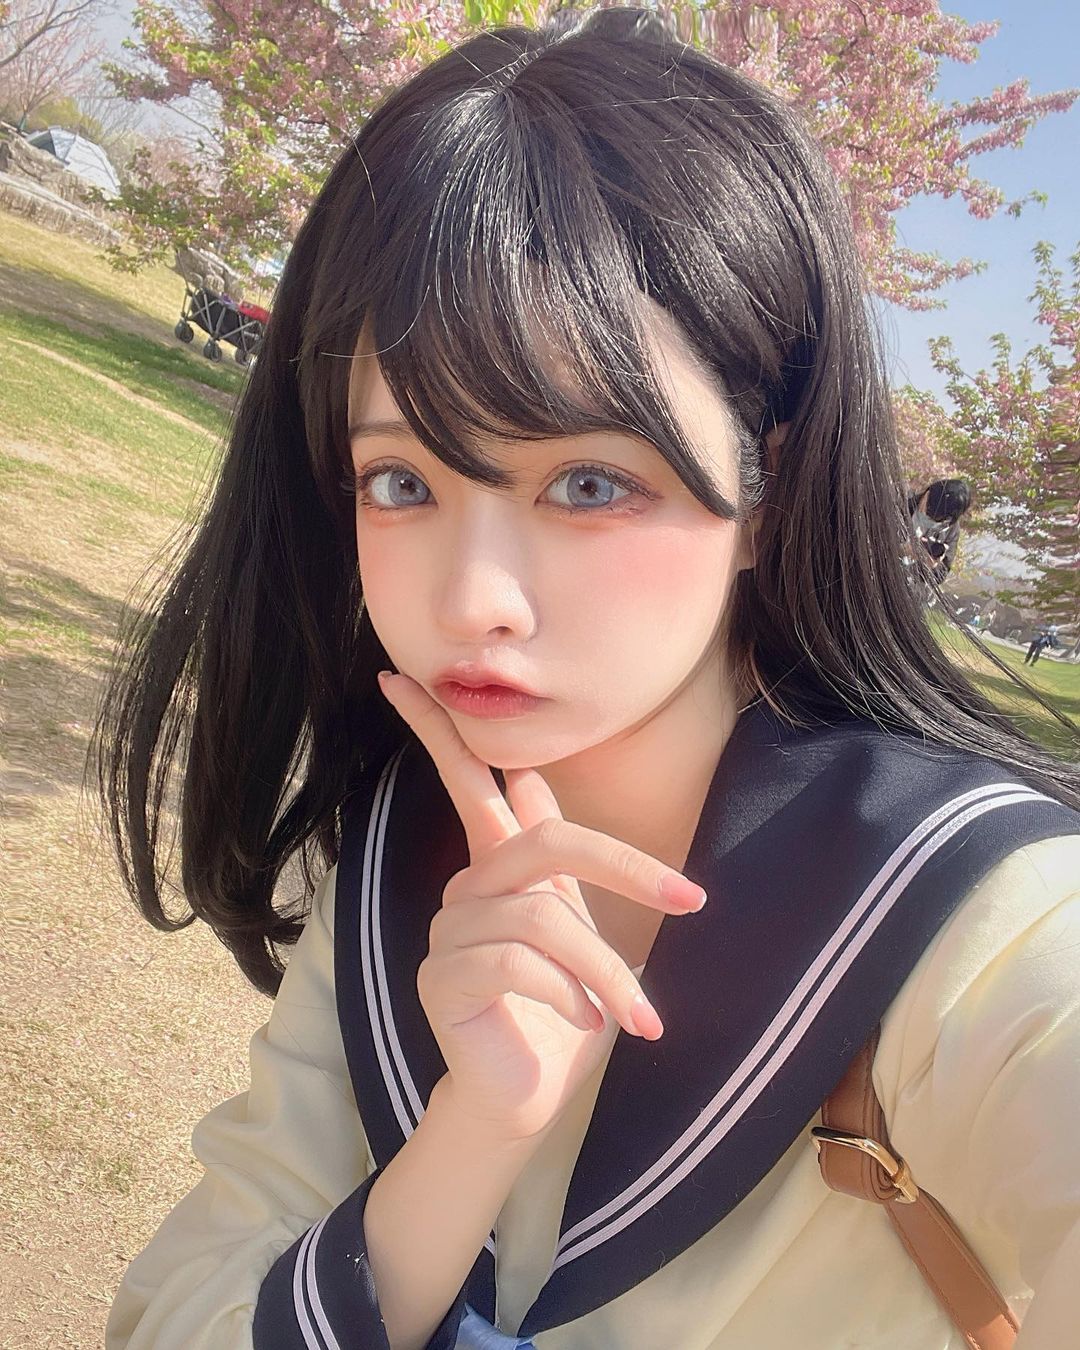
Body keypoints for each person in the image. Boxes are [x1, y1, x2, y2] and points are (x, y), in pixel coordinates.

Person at [92, 7, 1080, 1349]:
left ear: (770, 490)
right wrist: (468, 1139)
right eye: (403, 481)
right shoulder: (396, 855)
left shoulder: (971, 913)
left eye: (592, 482)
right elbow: (176, 1311)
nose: (472, 600)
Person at [905, 478, 972, 602]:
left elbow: (940, 575)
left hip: (902, 590)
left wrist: (928, 566)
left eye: (936, 518)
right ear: (927, 493)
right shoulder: (901, 501)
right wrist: (900, 550)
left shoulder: (950, 531)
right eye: (929, 507)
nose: (926, 514)